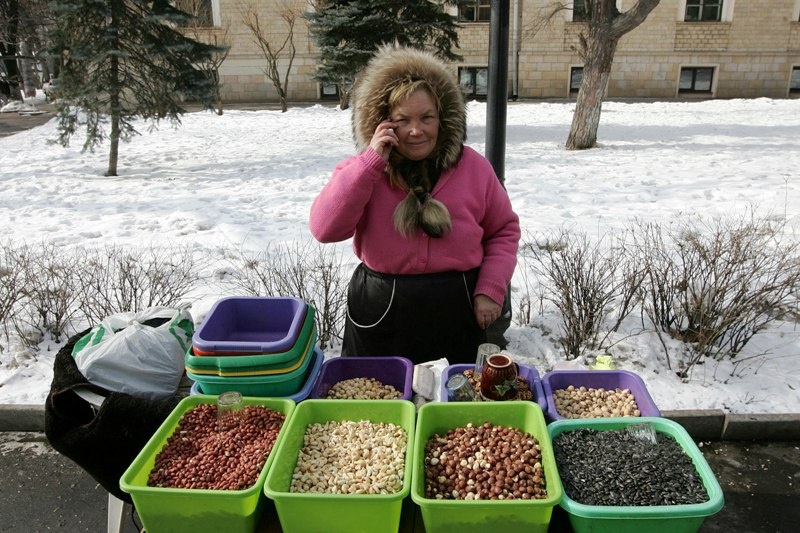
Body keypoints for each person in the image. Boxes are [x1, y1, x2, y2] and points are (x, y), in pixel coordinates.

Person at [309, 46, 520, 365]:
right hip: (381, 311)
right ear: (382, 123)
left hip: (458, 307)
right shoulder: (363, 170)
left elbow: (503, 230)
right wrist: (370, 164)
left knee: (455, 406)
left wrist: (490, 289)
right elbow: (325, 229)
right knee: (378, 408)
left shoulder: (474, 168)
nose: (416, 130)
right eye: (402, 120)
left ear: (444, 118)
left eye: (426, 117)